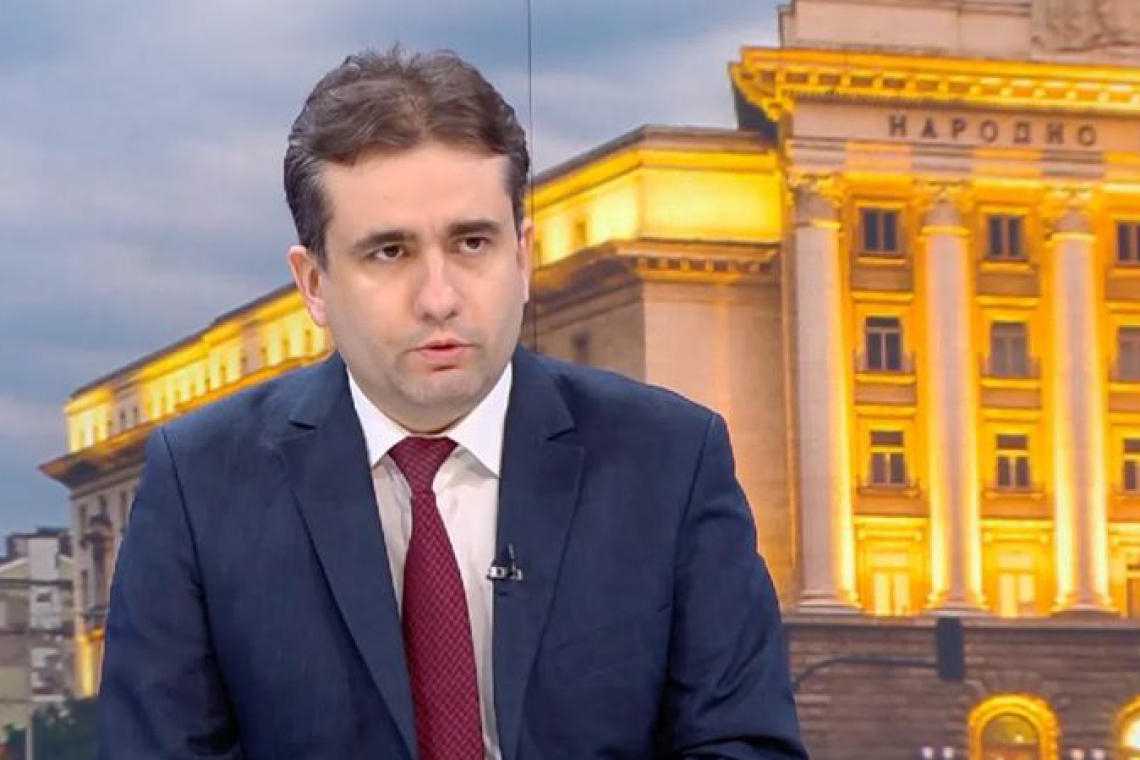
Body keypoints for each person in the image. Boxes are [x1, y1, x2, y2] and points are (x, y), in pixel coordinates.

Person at [97, 48, 808, 760]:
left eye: (472, 243)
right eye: (389, 253)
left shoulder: (671, 461)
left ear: (522, 258)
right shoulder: (199, 485)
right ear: (313, 284)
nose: (439, 298)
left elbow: (743, 745)